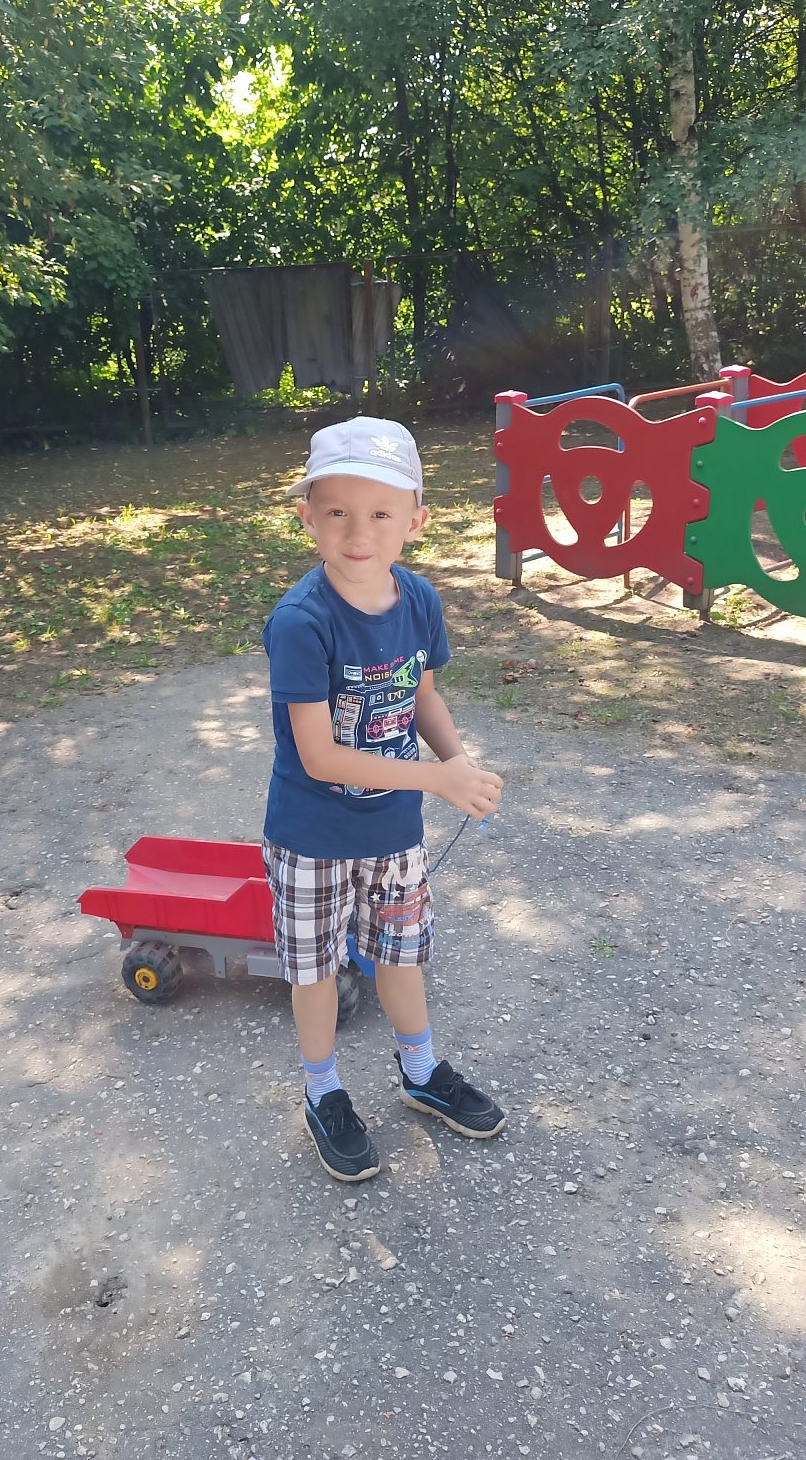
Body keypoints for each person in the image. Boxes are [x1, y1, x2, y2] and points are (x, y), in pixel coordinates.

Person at [262, 415, 506, 1182]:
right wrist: (436, 779)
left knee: (401, 957)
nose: (358, 532)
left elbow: (422, 693)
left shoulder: (419, 600)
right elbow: (318, 754)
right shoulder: (301, 622)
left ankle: (421, 1071)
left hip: (395, 831)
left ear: (415, 522)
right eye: (336, 511)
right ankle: (323, 1091)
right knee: (315, 972)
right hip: (311, 836)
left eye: (379, 512)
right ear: (307, 517)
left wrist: (457, 760)